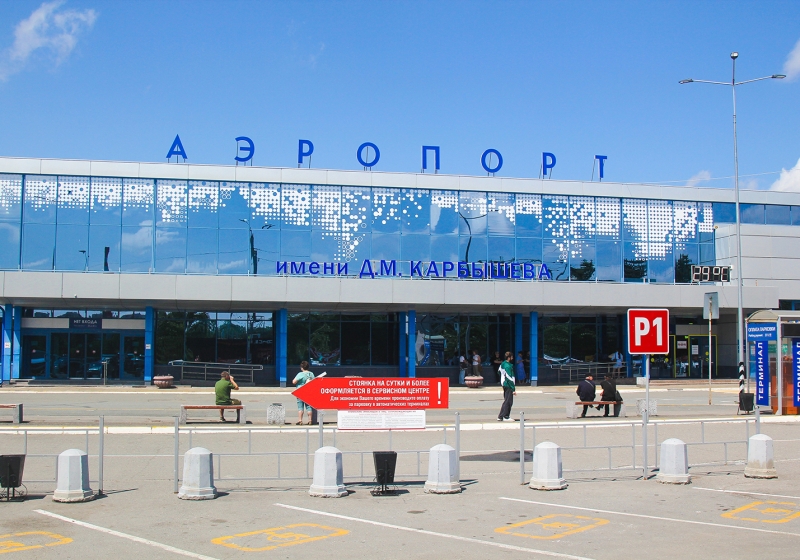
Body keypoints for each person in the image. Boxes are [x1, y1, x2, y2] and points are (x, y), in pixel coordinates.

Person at [292, 360, 315, 425]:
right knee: (309, 407)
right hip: (309, 392)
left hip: (300, 392)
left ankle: (300, 420)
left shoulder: (300, 374)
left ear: (302, 367)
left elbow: (294, 382)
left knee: (300, 407)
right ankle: (310, 420)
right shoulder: (311, 374)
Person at [497, 351, 516, 421]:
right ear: (509, 357)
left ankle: (501, 416)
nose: (512, 358)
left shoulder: (502, 364)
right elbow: (509, 378)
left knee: (506, 400)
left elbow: (499, 372)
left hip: (504, 384)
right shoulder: (508, 366)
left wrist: (502, 379)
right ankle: (506, 416)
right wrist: (513, 389)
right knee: (509, 401)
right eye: (511, 357)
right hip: (508, 384)